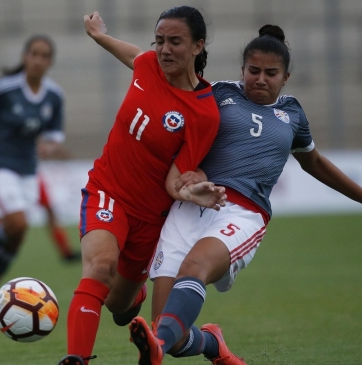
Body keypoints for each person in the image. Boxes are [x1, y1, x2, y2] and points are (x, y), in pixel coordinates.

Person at [126, 25, 362, 365]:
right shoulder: (216, 94)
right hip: (189, 206)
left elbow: (315, 163)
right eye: (254, 71)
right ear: (242, 69)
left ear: (286, 76)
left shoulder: (292, 115)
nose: (260, 79)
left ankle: (156, 346)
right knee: (172, 333)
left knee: (195, 269)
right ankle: (210, 345)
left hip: (241, 213)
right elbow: (153, 70)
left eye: (270, 73)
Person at [58, 7, 227, 365]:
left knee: (119, 307)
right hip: (108, 189)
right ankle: (77, 359)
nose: (164, 50)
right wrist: (99, 35)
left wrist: (190, 190)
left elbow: (173, 180)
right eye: (160, 40)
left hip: (150, 218)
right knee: (100, 267)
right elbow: (133, 54)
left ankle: (130, 299)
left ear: (198, 46)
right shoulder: (148, 64)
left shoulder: (204, 113)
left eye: (175, 42)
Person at [0, 34, 73, 307]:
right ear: (25, 57)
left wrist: (49, 147)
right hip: (0, 163)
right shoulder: (5, 88)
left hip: (28, 168)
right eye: (33, 54)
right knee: (18, 222)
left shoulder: (54, 95)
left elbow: (55, 135)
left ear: (50, 62)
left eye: (44, 56)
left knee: (18, 235)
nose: (38, 60)